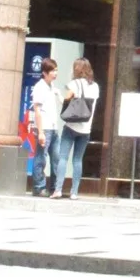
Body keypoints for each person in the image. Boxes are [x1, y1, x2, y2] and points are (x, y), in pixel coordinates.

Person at [51, 58, 100, 200]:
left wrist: (58, 95)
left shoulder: (74, 84)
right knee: (78, 160)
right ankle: (74, 193)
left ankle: (58, 190)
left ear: (76, 69)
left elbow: (66, 103)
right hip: (86, 129)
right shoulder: (95, 86)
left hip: (71, 127)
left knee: (63, 158)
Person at [30, 57, 60, 197]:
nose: (55, 73)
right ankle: (39, 187)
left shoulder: (52, 87)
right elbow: (37, 111)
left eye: (56, 70)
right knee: (41, 158)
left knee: (56, 158)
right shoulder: (39, 87)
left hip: (53, 128)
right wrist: (40, 132)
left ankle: (54, 187)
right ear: (44, 72)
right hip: (44, 128)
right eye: (52, 71)